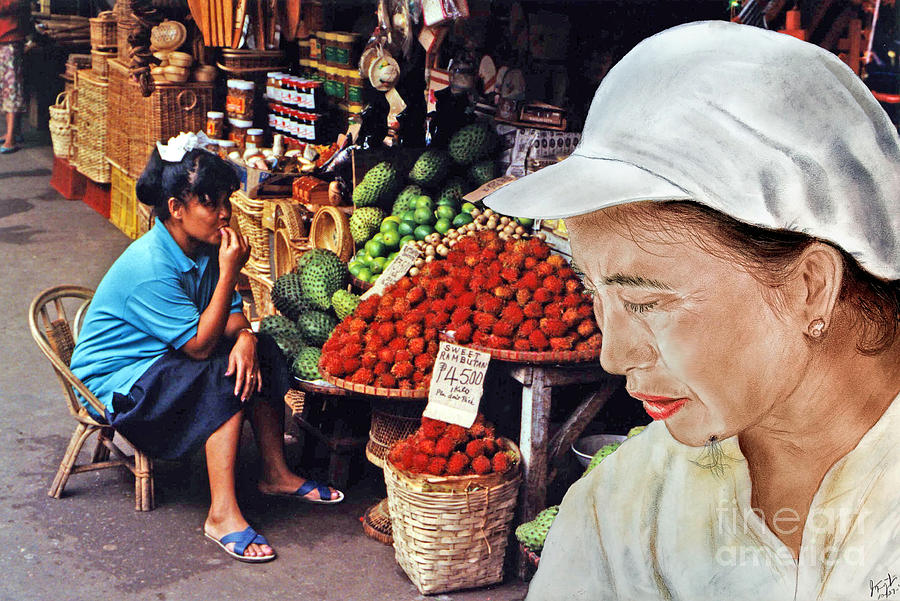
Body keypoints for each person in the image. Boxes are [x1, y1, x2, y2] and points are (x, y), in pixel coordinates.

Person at [485, 21, 900, 601]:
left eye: (645, 302)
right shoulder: (622, 514)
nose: (613, 354)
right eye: (596, 293)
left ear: (810, 286)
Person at [69, 133, 343, 564]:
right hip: (119, 383)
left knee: (265, 348)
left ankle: (275, 473)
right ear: (176, 209)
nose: (224, 214)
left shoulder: (202, 246)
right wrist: (231, 271)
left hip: (163, 358)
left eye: (225, 202)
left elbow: (233, 320)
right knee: (221, 372)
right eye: (210, 203)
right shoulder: (151, 265)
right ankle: (221, 514)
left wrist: (248, 338)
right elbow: (199, 347)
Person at [0, 0, 28, 154]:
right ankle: (12, 132)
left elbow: (12, 4)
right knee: (5, 87)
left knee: (11, 87)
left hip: (9, 39)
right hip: (4, 38)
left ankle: (10, 138)